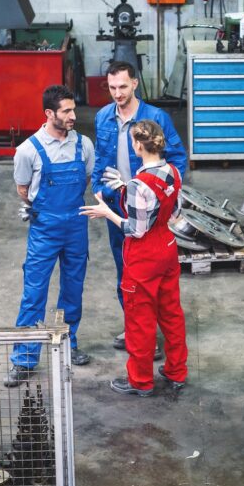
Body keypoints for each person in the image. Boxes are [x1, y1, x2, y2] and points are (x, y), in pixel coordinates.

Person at [81, 119, 189, 397]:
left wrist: (108, 212)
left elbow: (136, 229)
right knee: (171, 314)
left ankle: (140, 381)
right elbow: (172, 212)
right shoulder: (173, 172)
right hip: (167, 247)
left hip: (144, 257)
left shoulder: (138, 186)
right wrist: (123, 188)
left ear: (138, 145)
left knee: (139, 319)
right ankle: (176, 372)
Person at [91, 61, 188, 355]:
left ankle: (149, 335)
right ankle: (135, 326)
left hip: (148, 208)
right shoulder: (103, 117)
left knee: (151, 275)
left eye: (122, 86)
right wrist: (98, 187)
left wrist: (168, 199)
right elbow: (100, 157)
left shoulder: (155, 117)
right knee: (125, 272)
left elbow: (177, 158)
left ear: (135, 83)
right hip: (117, 202)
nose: (117, 93)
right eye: (112, 88)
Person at [5, 85, 94, 388]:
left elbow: (86, 179)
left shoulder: (83, 145)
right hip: (44, 229)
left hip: (76, 226)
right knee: (34, 293)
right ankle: (24, 359)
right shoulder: (27, 151)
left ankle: (68, 343)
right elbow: (23, 191)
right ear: (49, 114)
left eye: (73, 109)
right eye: (66, 111)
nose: (73, 116)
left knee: (72, 290)